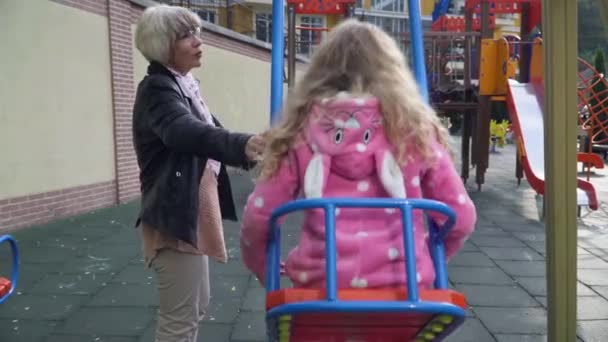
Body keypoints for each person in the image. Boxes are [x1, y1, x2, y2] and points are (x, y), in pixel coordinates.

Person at [239, 19, 476, 290]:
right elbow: (461, 215)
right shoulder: (415, 131)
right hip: (404, 285)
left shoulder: (300, 131)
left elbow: (258, 218)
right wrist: (431, 257)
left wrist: (263, 265)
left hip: (320, 286)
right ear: (393, 73)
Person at [132, 4, 265, 342]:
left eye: (197, 33)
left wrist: (256, 151)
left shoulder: (184, 86)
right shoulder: (157, 91)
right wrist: (243, 144)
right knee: (180, 319)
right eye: (186, 36)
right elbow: (183, 131)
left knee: (195, 307)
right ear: (163, 45)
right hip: (173, 219)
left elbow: (212, 134)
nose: (198, 41)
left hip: (186, 214)